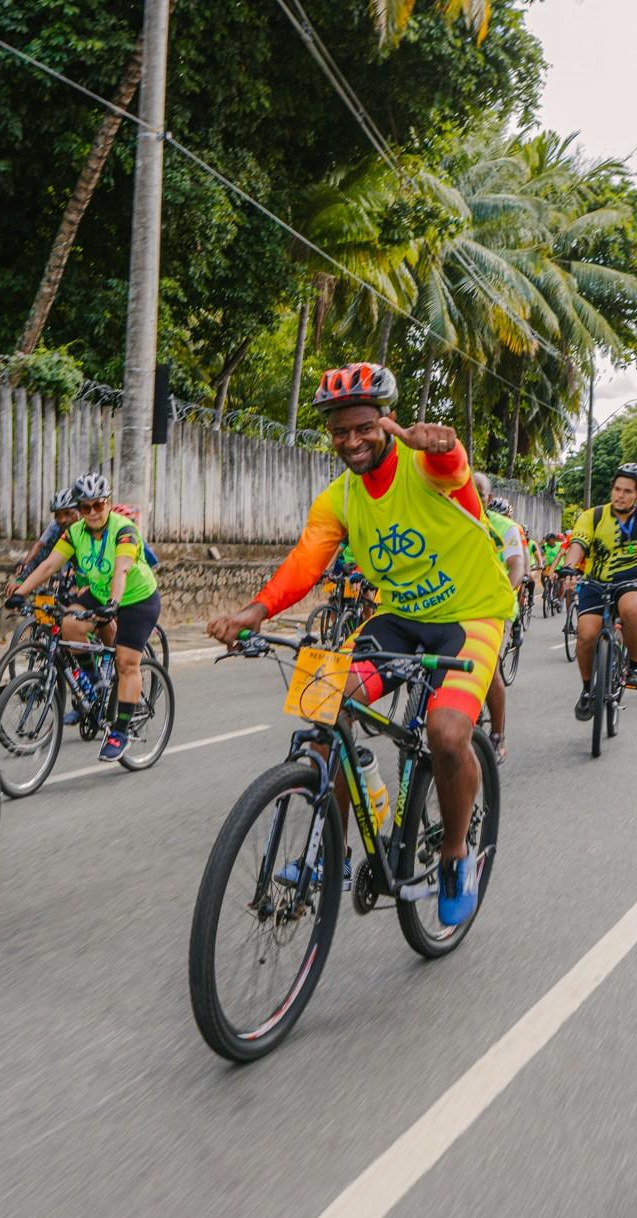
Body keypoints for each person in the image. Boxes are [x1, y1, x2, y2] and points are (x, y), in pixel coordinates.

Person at [206, 361, 512, 929]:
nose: (351, 441)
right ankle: (334, 855)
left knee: (447, 735)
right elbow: (305, 561)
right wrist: (252, 613)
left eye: (363, 427)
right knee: (322, 706)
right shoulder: (339, 499)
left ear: (386, 421)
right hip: (398, 617)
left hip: (471, 614)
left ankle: (453, 857)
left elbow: (453, 465)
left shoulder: (427, 465)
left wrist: (444, 444)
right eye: (339, 431)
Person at [9, 471, 162, 763]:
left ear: (108, 503)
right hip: (100, 592)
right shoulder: (74, 533)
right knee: (69, 623)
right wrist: (21, 591)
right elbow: (49, 564)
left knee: (126, 662)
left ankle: (120, 731)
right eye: (85, 507)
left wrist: (114, 602)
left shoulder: (124, 530)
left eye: (98, 505)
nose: (92, 513)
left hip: (137, 598)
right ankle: (95, 683)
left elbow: (122, 570)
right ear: (78, 509)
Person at [563, 462, 637, 714]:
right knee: (586, 635)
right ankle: (588, 689)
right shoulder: (593, 515)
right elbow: (578, 542)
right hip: (595, 582)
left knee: (634, 609)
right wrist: (569, 566)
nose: (620, 495)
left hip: (632, 582)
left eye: (627, 491)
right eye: (617, 489)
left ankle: (635, 666)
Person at [477, 478, 525, 762]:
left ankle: (497, 734)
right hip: (454, 607)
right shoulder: (448, 519)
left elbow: (517, 565)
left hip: (494, 608)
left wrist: (504, 591)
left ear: (489, 497)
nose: (471, 497)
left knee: (488, 665)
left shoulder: (505, 527)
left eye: (478, 493)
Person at [10, 488, 82, 594]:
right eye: (58, 515)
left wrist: (72, 574)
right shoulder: (59, 531)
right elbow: (41, 552)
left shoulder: (89, 533)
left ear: (79, 512)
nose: (62, 520)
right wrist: (21, 579)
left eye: (67, 513)